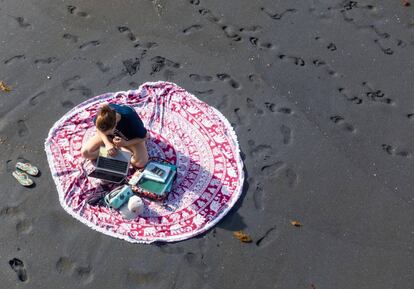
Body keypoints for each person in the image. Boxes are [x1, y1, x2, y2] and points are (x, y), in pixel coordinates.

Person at [81, 103, 149, 168]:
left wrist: (126, 143)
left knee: (140, 162)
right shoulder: (102, 115)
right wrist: (107, 143)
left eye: (108, 132)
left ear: (116, 124)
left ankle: (121, 150)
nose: (106, 134)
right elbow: (99, 130)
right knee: (86, 153)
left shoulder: (130, 118)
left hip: (130, 139)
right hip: (112, 140)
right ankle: (119, 150)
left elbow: (146, 136)